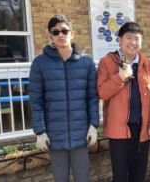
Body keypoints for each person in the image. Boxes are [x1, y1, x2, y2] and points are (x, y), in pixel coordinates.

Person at [29, 15, 99, 182]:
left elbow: (92, 97)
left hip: (81, 134)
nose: (61, 35)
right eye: (55, 32)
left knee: (83, 178)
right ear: (50, 36)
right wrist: (40, 132)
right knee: (60, 179)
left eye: (64, 31)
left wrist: (93, 126)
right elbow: (36, 100)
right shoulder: (40, 63)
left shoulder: (86, 62)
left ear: (72, 33)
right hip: (54, 134)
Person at [97, 22, 150, 182]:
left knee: (138, 174)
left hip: (142, 128)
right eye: (128, 38)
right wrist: (120, 77)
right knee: (120, 175)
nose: (133, 42)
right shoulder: (107, 62)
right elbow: (102, 92)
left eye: (137, 39)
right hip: (118, 128)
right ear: (119, 40)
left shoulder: (148, 64)